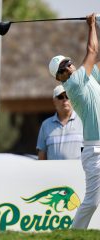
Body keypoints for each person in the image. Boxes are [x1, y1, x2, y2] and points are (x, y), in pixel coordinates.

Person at [48, 13, 100, 229]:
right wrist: (92, 25)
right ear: (59, 78)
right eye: (62, 69)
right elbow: (92, 51)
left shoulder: (86, 76)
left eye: (68, 63)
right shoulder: (74, 84)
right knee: (92, 202)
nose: (67, 67)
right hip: (95, 151)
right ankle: (74, 234)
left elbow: (95, 58)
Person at [36, 85, 83, 160]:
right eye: (60, 97)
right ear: (54, 101)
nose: (65, 99)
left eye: (68, 96)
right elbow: (42, 156)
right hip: (54, 171)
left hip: (79, 171)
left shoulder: (84, 121)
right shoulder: (46, 125)